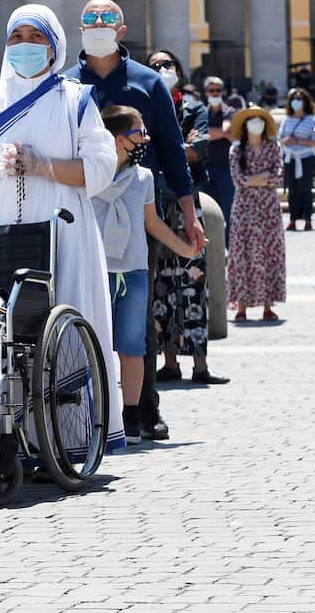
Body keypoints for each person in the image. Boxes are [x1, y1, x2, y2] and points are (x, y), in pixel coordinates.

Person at [0, 3, 125, 451]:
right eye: (16, 37)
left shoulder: (74, 98)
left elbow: (102, 166)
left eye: (34, 37)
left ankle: (70, 438)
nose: (24, 46)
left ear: (54, 45)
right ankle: (8, 435)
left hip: (64, 230)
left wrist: (45, 166)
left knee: (65, 321)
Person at [64, 0, 205, 442]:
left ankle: (144, 410)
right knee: (83, 307)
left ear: (123, 30)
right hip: (82, 210)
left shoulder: (148, 82)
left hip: (140, 203)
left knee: (137, 315)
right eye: (91, 19)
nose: (100, 24)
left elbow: (173, 151)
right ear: (79, 29)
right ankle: (87, 410)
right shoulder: (66, 84)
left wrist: (189, 213)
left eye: (108, 19)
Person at [95, 105, 203, 436]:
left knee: (133, 346)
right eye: (139, 132)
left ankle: (130, 416)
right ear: (115, 138)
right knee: (96, 345)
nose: (146, 138)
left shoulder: (143, 177)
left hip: (134, 270)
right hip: (96, 268)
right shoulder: (90, 173)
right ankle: (99, 414)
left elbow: (151, 222)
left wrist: (184, 248)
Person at [146, 49, 220, 386]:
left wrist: (162, 149)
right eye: (155, 66)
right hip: (154, 204)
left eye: (168, 64)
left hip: (187, 204)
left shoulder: (194, 108)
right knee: (160, 286)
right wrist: (176, 149)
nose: (162, 69)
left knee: (194, 282)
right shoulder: (144, 107)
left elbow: (198, 149)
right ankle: (170, 363)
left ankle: (200, 365)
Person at [227, 107, 286, 322]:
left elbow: (278, 177)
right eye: (251, 120)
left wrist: (253, 179)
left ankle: (268, 305)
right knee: (243, 253)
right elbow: (238, 180)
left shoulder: (274, 147)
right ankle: (241, 306)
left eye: (258, 120)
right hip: (244, 209)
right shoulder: (236, 150)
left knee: (270, 253)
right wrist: (262, 178)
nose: (255, 123)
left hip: (269, 208)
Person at [279, 87, 315, 231]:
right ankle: (293, 219)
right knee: (292, 190)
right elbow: (280, 139)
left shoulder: (312, 120)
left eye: (299, 99)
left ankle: (308, 219)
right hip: (290, 158)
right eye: (294, 99)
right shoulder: (286, 120)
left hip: (306, 158)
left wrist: (298, 142)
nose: (297, 102)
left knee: (306, 189)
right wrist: (287, 140)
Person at [202, 76, 236, 235]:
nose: (215, 93)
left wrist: (214, 133)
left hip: (226, 168)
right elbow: (203, 134)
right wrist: (224, 134)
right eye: (211, 90)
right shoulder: (201, 112)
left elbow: (227, 127)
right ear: (206, 92)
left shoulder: (230, 111)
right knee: (205, 212)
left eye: (218, 90)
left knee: (229, 211)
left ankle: (230, 250)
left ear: (223, 92)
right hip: (205, 168)